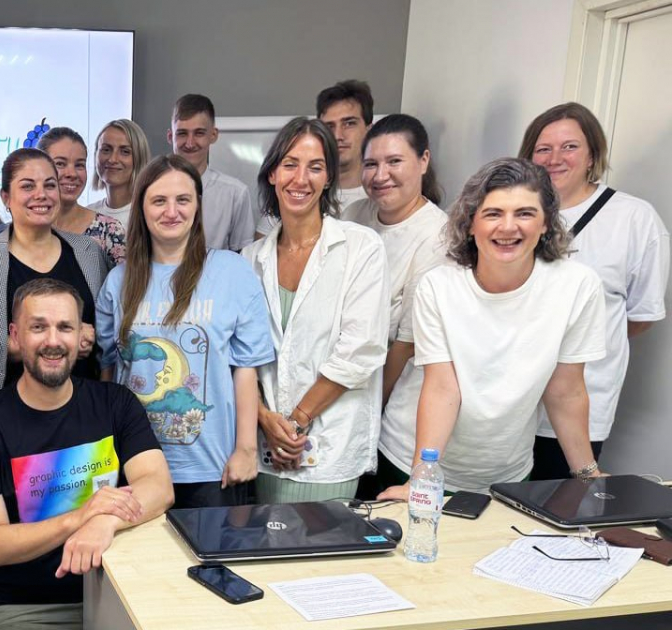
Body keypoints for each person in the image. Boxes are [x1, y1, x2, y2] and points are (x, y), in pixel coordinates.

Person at [0, 278, 173, 630]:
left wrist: (104, 521)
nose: (53, 341)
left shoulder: (115, 403)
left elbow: (159, 486)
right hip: (16, 608)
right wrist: (80, 517)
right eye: (38, 327)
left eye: (65, 327)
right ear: (15, 335)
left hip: (114, 593)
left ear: (81, 335)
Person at [378, 158, 607, 498]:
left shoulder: (578, 286)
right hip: (414, 459)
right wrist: (420, 481)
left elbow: (566, 390)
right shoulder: (439, 287)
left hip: (507, 470)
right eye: (493, 213)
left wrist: (587, 474)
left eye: (525, 213)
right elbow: (442, 389)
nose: (508, 227)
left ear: (546, 222)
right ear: (470, 224)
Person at [97, 154, 275, 508]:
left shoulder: (232, 272)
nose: (171, 211)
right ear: (141, 207)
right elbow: (108, 372)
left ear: (197, 206)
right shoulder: (119, 281)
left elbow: (245, 369)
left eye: (183, 199)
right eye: (159, 201)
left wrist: (246, 449)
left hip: (213, 469)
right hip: (135, 467)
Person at [242, 117, 389, 504]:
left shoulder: (361, 248)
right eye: (290, 164)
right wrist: (264, 418)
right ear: (272, 174)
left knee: (323, 542)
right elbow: (239, 358)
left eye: (315, 167)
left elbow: (361, 350)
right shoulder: (249, 260)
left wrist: (296, 421)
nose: (300, 179)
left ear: (328, 179)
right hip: (263, 449)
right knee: (264, 540)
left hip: (330, 447)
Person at [519, 103, 670, 480]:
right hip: (507, 403)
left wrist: (579, 344)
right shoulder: (512, 211)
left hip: (582, 404)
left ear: (592, 155)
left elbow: (639, 318)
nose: (554, 158)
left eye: (569, 147)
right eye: (543, 149)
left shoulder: (634, 219)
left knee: (559, 502)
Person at [0, 148, 111, 405]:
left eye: (49, 185)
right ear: (6, 197)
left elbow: (107, 339)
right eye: (28, 186)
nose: (41, 194)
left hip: (83, 410)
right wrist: (68, 338)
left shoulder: (89, 253)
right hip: (4, 414)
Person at [343, 115, 447, 429]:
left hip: (392, 395)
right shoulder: (354, 215)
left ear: (423, 160)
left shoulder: (437, 236)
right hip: (343, 373)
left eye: (394, 161)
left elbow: (406, 343)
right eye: (370, 164)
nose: (380, 175)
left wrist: (370, 409)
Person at [256, 81, 374, 239]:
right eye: (329, 126)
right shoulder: (289, 193)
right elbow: (261, 250)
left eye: (349, 123)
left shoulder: (379, 195)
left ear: (369, 129)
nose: (338, 135)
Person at [168, 94, 255, 252]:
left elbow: (242, 254)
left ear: (213, 135)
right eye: (182, 133)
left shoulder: (235, 194)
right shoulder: (151, 190)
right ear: (170, 136)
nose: (190, 143)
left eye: (199, 133)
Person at [38, 127, 126, 265]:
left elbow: (125, 278)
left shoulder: (108, 231)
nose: (72, 174)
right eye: (60, 164)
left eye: (79, 165)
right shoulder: (24, 230)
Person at [88, 119, 151, 228]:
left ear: (139, 158)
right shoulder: (87, 214)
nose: (112, 159)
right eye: (106, 150)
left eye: (125, 152)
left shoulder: (150, 215)